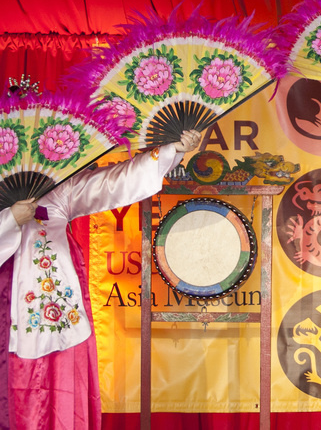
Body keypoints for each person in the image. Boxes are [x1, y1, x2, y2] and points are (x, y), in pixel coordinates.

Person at [0, 129, 201, 430]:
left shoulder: (58, 188)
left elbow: (113, 183)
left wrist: (173, 149)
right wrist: (9, 220)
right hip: (7, 310)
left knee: (60, 390)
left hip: (55, 312)